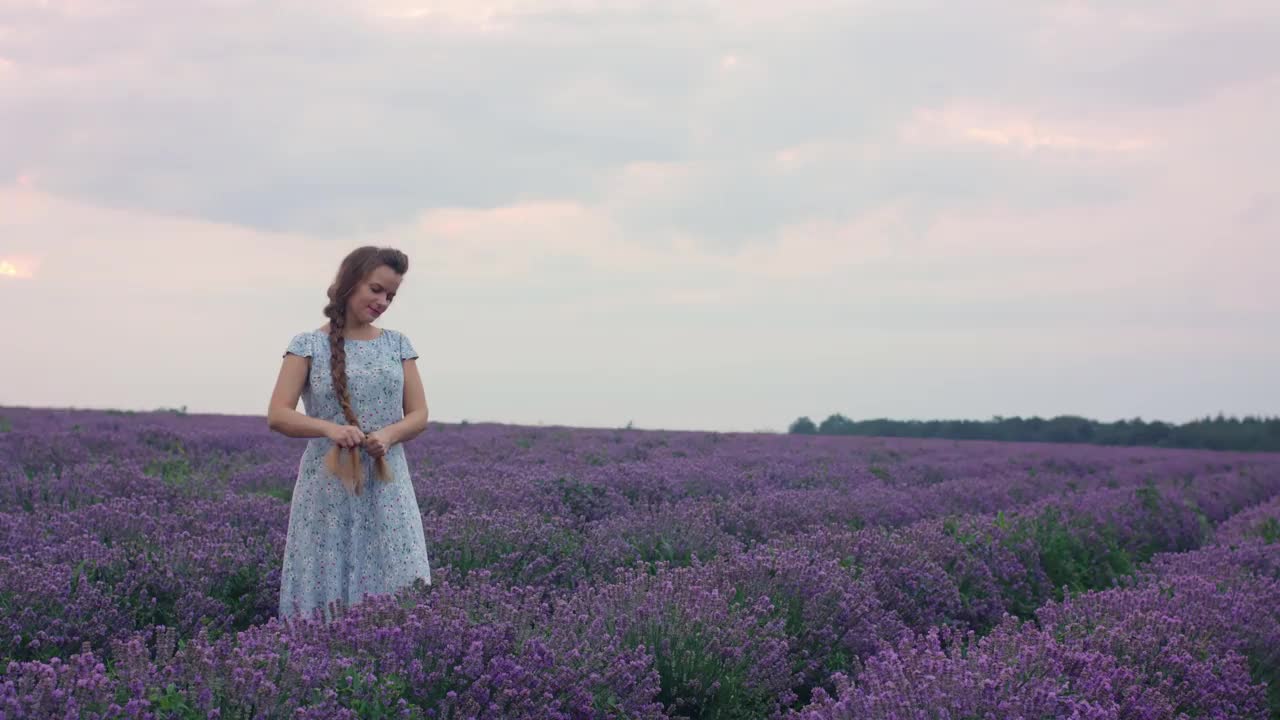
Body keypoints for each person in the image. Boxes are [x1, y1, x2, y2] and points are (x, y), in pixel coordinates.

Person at [266, 246, 432, 623]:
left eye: (390, 295)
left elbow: (420, 414)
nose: (383, 301)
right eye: (376, 289)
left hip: (387, 485)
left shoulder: (398, 344)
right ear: (349, 282)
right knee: (326, 582)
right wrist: (330, 428)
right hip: (327, 488)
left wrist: (389, 435)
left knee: (399, 580)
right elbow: (278, 415)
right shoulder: (307, 345)